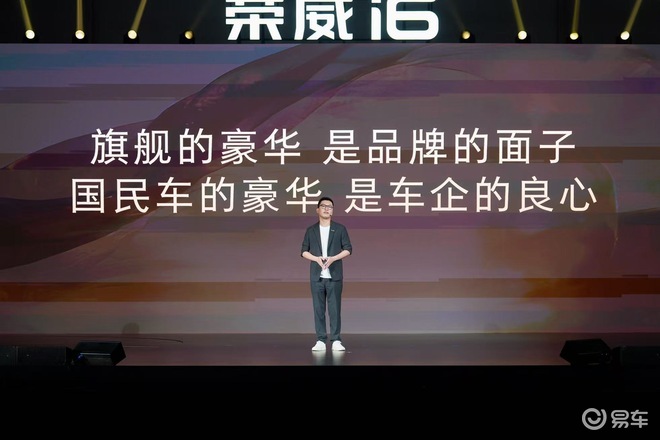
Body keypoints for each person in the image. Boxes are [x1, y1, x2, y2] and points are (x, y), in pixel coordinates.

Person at [301, 196, 352, 352]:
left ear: (332, 211)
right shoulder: (311, 230)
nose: (326, 209)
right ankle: (320, 340)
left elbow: (348, 249)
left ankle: (336, 339)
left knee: (334, 309)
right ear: (318, 210)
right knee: (318, 309)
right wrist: (316, 259)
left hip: (334, 276)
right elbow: (303, 251)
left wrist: (333, 258)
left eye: (329, 207)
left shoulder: (340, 229)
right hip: (317, 276)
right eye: (323, 206)